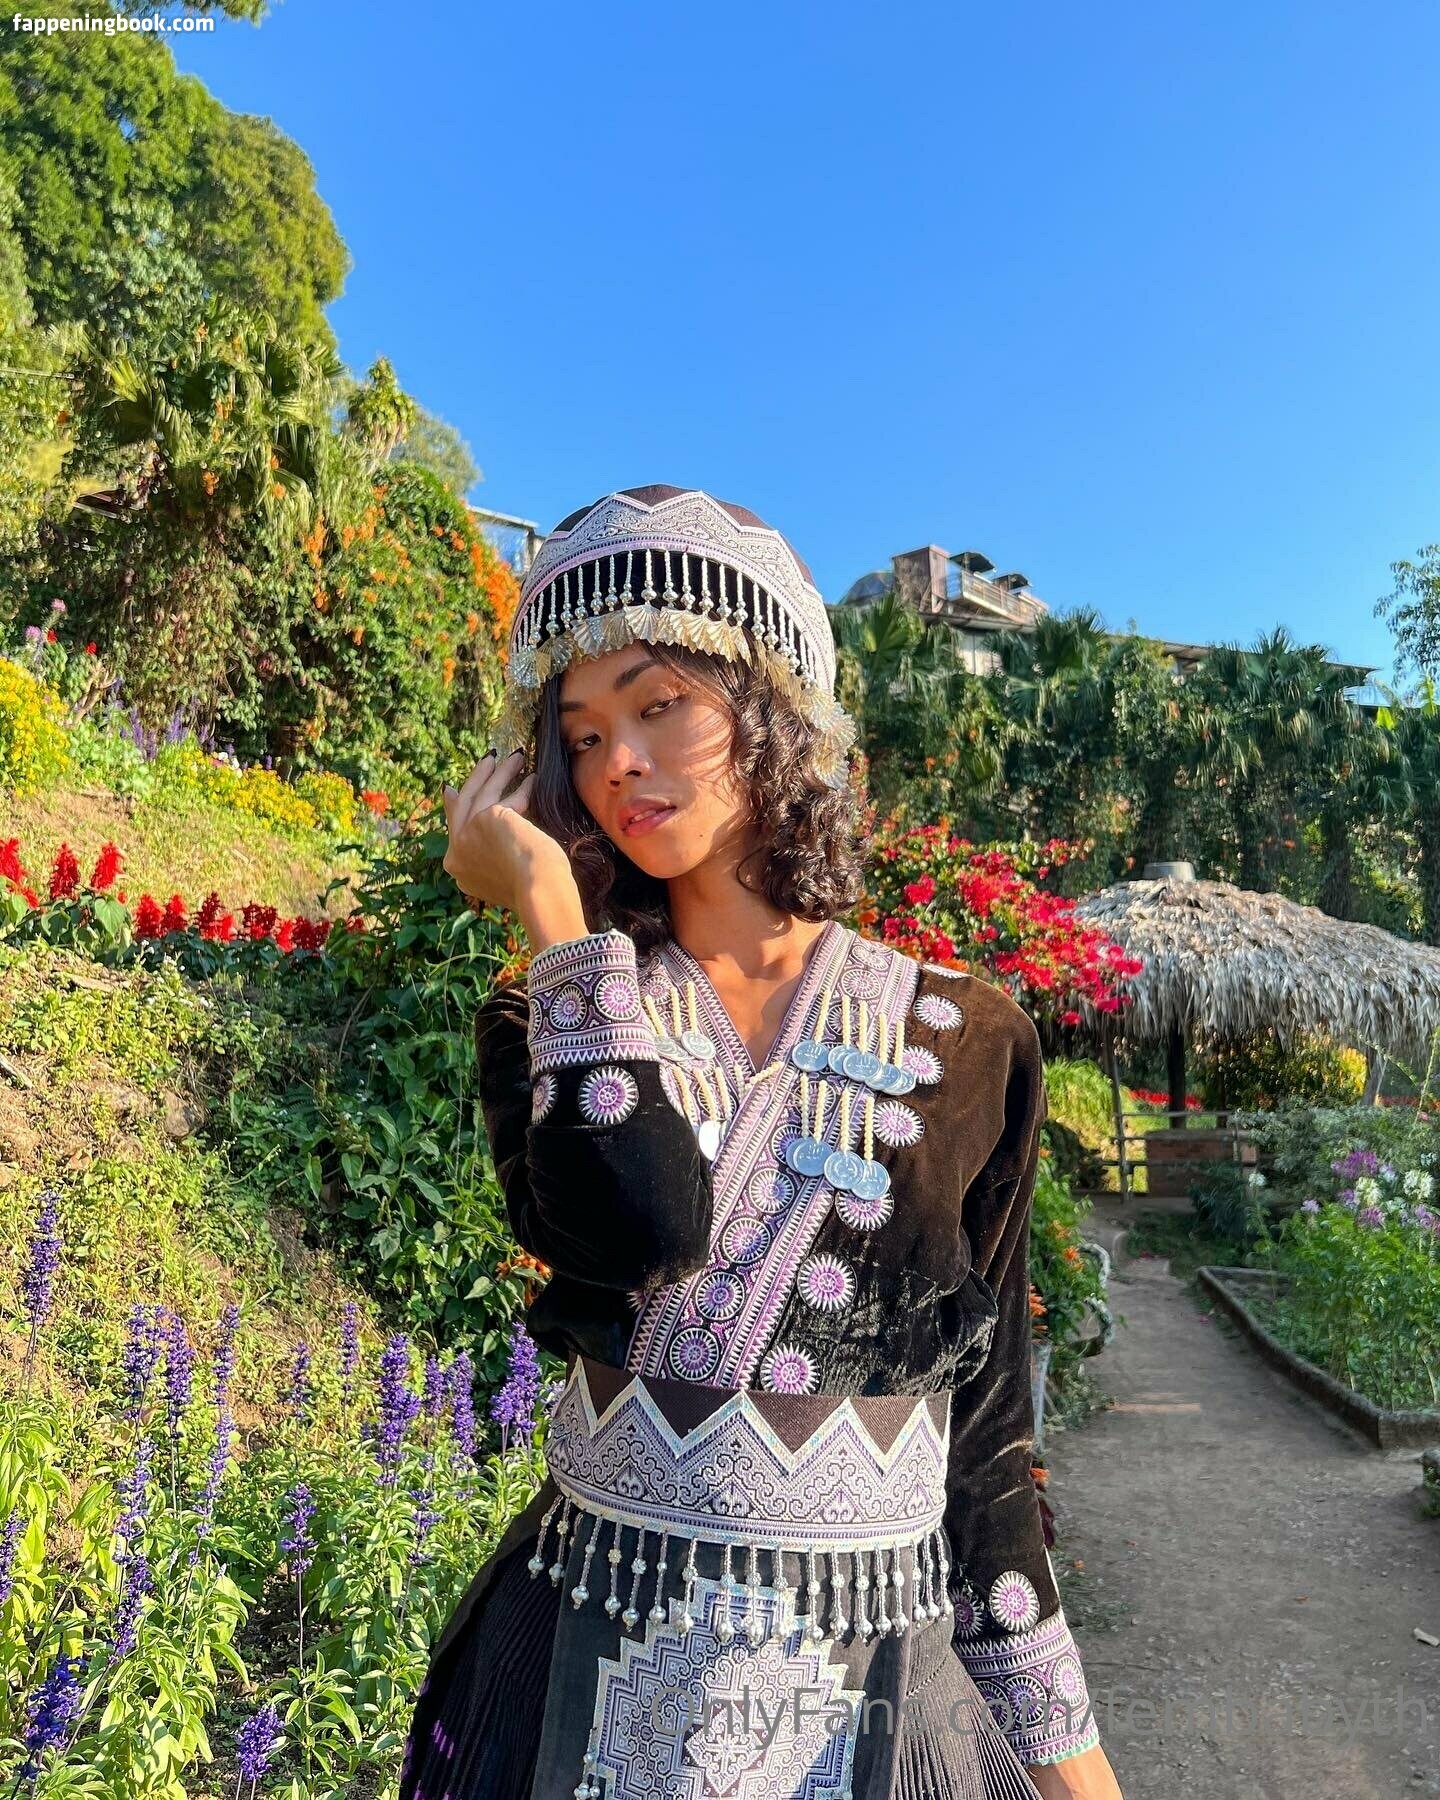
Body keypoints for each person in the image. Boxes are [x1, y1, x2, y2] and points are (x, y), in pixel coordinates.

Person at [401, 485, 1124, 1800]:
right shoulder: (551, 1017)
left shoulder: (974, 1042)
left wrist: (1071, 1764)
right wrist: (556, 922)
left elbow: (984, 1444)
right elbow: (644, 1231)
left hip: (875, 1697)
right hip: (570, 1673)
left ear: (774, 705)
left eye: (659, 703)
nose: (619, 761)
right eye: (582, 735)